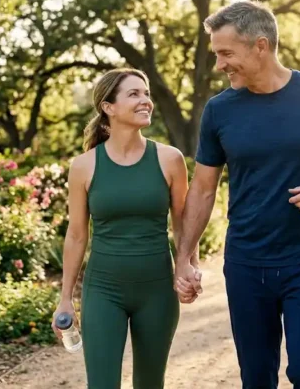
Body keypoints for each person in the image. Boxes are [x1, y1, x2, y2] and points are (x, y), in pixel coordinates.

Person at [174, 1, 300, 389]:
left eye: (226, 54)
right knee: (256, 378)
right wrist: (184, 257)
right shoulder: (219, 111)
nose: (219, 65)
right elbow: (202, 189)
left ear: (261, 46)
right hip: (246, 264)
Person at [51, 68, 197, 388]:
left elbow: (183, 222)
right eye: (134, 94)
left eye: (146, 94)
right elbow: (76, 234)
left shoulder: (170, 159)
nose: (145, 100)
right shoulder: (84, 166)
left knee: (149, 383)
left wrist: (187, 267)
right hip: (104, 291)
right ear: (108, 107)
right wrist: (65, 298)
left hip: (157, 290)